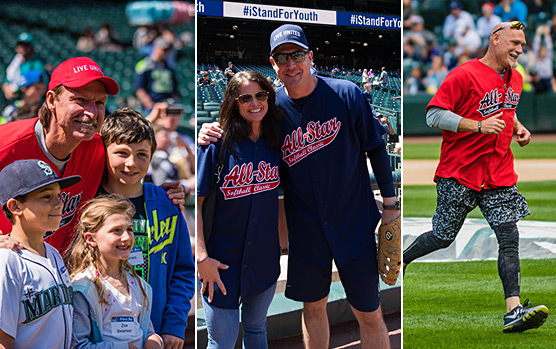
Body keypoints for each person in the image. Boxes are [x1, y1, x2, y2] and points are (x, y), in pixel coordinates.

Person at [199, 24, 400, 348]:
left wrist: (390, 207)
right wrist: (209, 130)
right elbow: (241, 128)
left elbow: (376, 147)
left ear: (310, 56)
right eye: (282, 57)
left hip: (353, 224)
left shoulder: (346, 94)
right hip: (306, 229)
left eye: (296, 55)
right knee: (313, 308)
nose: (290, 63)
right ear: (273, 63)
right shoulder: (273, 109)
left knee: (369, 312)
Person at [403, 21, 549, 333]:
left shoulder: (518, 78)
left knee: (509, 237)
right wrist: (478, 126)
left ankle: (513, 310)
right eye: (514, 43)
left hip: (498, 171)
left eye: (522, 45)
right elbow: (433, 114)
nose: (519, 50)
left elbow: (507, 110)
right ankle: (402, 259)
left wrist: (518, 127)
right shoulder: (463, 74)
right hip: (460, 171)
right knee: (443, 235)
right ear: (495, 40)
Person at [0, 56, 185, 254]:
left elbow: (127, 172)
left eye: (99, 102)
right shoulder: (6, 145)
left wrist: (162, 194)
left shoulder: (96, 149)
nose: (91, 112)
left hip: (59, 275)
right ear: (52, 100)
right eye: (80, 100)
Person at [197, 70, 283, 348]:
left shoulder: (277, 142)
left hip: (263, 258)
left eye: (260, 95)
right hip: (221, 263)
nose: (254, 103)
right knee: (221, 341)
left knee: (257, 330)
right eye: (245, 97)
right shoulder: (216, 144)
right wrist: (202, 259)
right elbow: (195, 205)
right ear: (234, 102)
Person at [98, 108, 195, 347]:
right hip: (99, 335)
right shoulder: (89, 204)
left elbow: (183, 272)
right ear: (104, 152)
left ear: (152, 155)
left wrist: (175, 324)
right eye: (121, 153)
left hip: (156, 333)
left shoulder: (167, 204)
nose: (131, 163)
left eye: (142, 154)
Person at [0, 159, 81, 348]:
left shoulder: (53, 254)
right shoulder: (8, 261)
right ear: (15, 207)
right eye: (46, 197)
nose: (59, 203)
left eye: (58, 195)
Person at [67, 195, 163, 348]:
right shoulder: (84, 288)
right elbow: (78, 345)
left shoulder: (137, 284)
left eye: (129, 230)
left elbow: (145, 328)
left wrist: (154, 340)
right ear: (91, 239)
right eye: (116, 231)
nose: (126, 237)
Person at [135, 37, 178, 112]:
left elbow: (174, 87)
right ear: (156, 48)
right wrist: (149, 104)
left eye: (167, 50)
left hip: (167, 104)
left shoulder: (169, 66)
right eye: (163, 49)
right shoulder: (144, 65)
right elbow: (139, 88)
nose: (165, 52)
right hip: (152, 104)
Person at [2, 32, 45, 101]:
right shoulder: (15, 62)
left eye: (25, 45)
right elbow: (6, 80)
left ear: (31, 47)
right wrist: (6, 89)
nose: (22, 48)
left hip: (27, 100)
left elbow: (37, 80)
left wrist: (16, 89)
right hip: (13, 99)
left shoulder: (36, 63)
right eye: (20, 45)